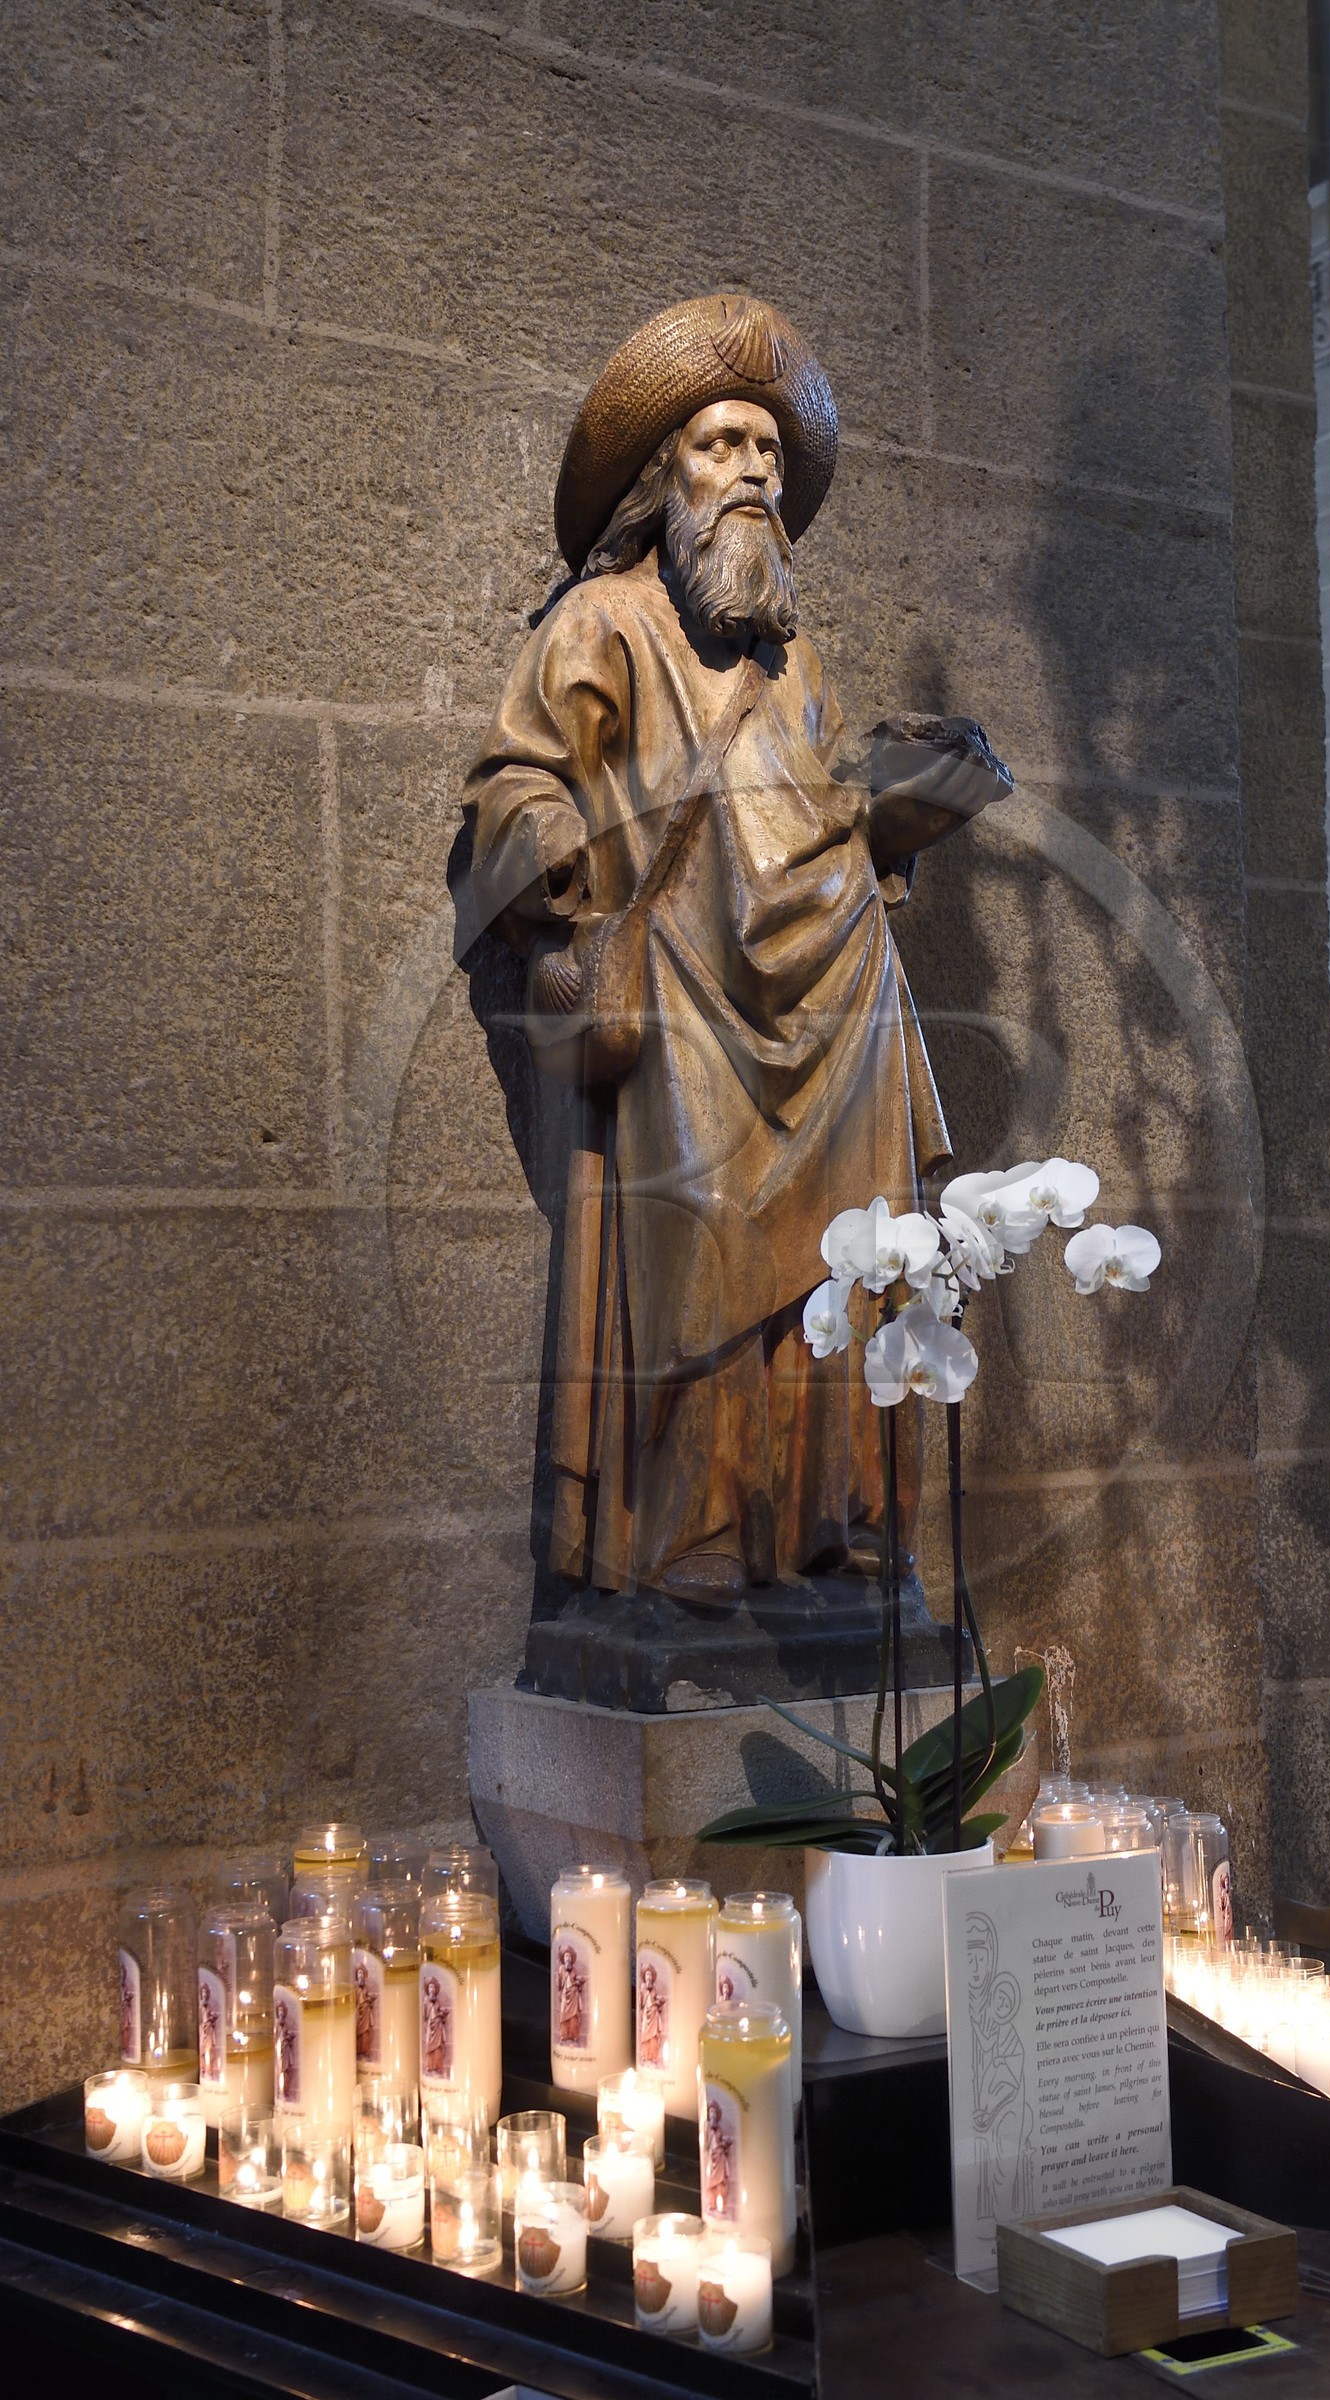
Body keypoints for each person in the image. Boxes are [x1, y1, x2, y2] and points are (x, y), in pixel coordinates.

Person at [455, 293, 1011, 1608]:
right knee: (697, 1246)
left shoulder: (796, 660)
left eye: (768, 451)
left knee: (850, 1259)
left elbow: (814, 818)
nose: (753, 470)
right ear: (666, 482)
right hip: (688, 1002)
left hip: (834, 1004)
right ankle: (695, 1541)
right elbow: (515, 783)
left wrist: (899, 810)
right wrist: (548, 847)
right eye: (721, 445)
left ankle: (823, 1534)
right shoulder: (603, 625)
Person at [637, 1960, 666, 2067]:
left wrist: (659, 2002)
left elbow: (656, 1999)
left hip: (654, 2014)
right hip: (646, 2014)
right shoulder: (643, 1987)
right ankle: (645, 2057)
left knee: (653, 2037)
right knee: (645, 2036)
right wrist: (644, 1992)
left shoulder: (654, 1989)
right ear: (644, 1977)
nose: (648, 1977)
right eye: (646, 1974)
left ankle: (653, 2057)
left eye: (650, 1975)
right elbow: (640, 2003)